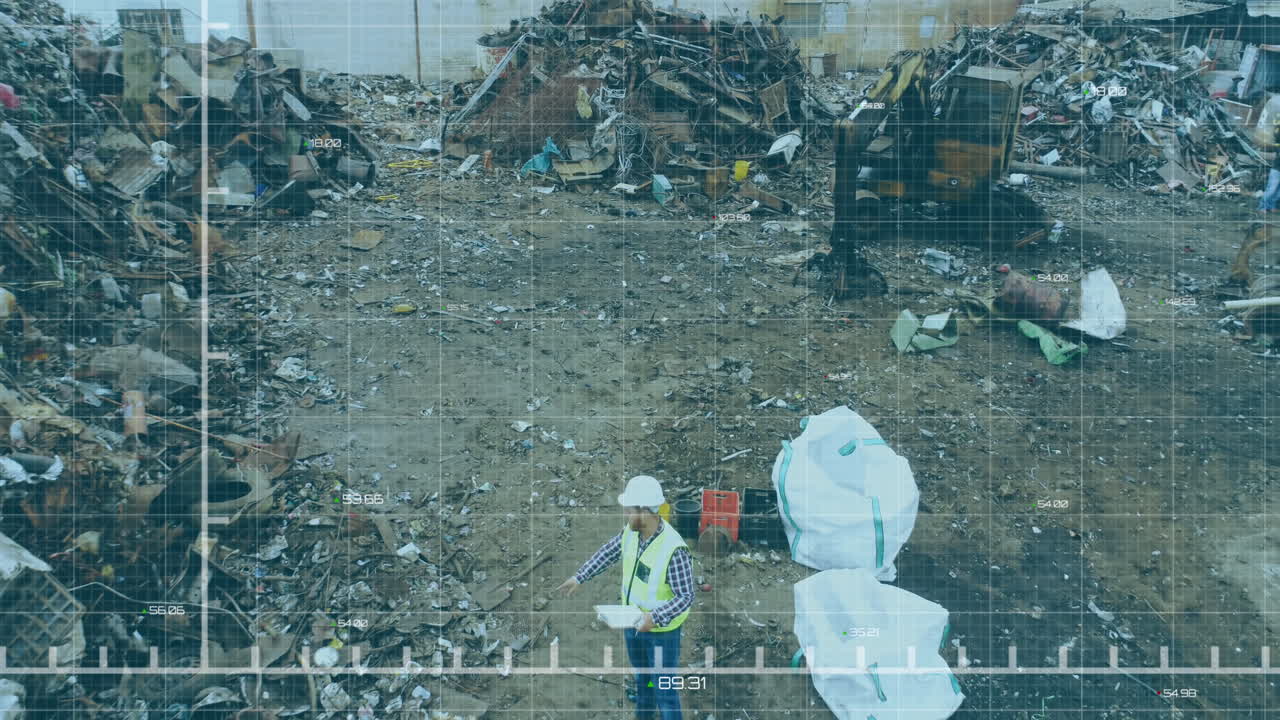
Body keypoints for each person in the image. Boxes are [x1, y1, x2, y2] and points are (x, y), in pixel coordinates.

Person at [556, 475, 694, 720]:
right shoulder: (631, 533)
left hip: (662, 633)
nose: (626, 515)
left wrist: (656, 617)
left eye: (630, 510)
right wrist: (580, 577)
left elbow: (686, 596)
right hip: (633, 623)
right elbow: (609, 552)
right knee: (643, 679)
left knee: (665, 691)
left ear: (644, 511)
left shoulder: (674, 549)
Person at [1258, 144, 1280, 214]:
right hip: (1276, 171)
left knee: (1278, 192)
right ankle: (1261, 207)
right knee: (1271, 190)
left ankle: (1271, 207)